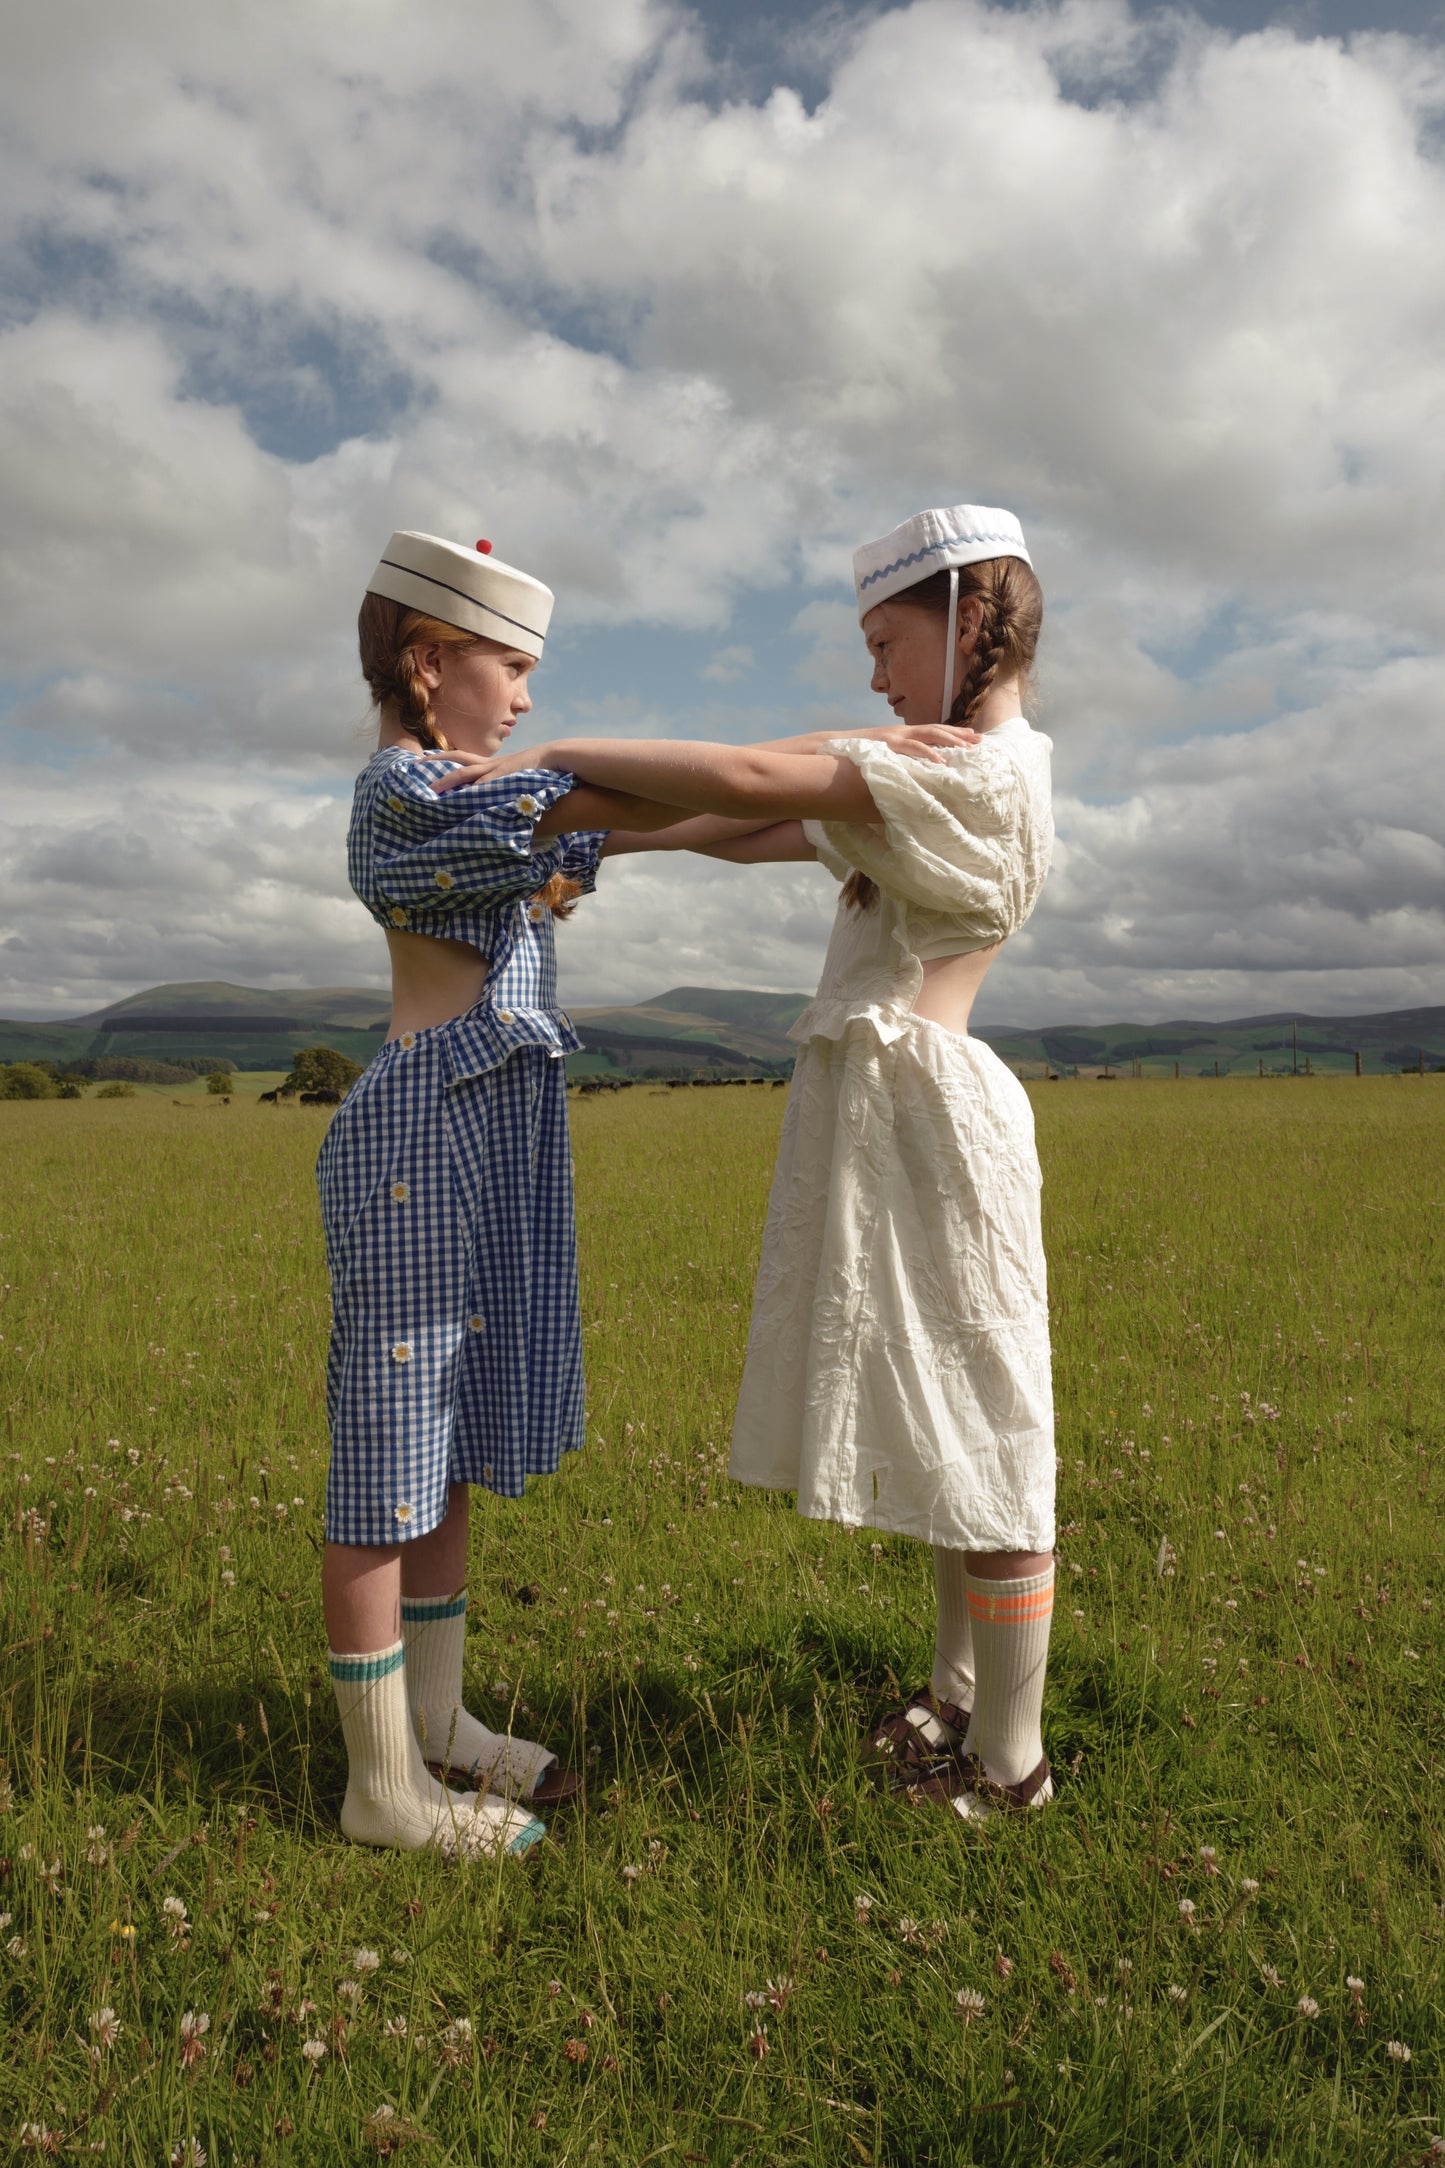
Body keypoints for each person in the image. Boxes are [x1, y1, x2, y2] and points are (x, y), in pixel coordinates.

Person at [437, 503, 1057, 1817]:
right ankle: (956, 1695)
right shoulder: (924, 776)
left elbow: (752, 779)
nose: (876, 678)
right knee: (942, 1419)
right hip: (899, 1119)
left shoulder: (981, 773)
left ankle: (1014, 1764)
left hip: (936, 1124)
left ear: (967, 622)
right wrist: (579, 829)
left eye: (886, 644)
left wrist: (551, 755)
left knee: (986, 1430)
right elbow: (730, 820)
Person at [320, 529, 695, 1856]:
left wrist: (839, 797)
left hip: (480, 1132)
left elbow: (671, 819)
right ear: (430, 665)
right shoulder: (412, 793)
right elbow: (635, 802)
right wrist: (837, 768)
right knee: (388, 1454)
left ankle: (435, 1720)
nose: (528, 699)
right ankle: (380, 1787)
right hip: (422, 1135)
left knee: (449, 1441)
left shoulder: (483, 800)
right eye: (512, 668)